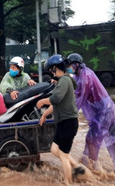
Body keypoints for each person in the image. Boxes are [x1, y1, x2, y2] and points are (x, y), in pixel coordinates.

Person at [67, 53, 115, 173]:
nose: (69, 68)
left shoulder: (85, 77)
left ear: (76, 64)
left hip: (104, 111)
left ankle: (93, 170)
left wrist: (68, 114)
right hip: (107, 109)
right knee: (114, 139)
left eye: (70, 65)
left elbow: (79, 98)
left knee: (91, 139)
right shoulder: (80, 75)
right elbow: (73, 89)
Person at [37, 54, 83, 184]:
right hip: (64, 123)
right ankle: (77, 167)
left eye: (51, 69)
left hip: (68, 122)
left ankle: (68, 182)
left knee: (62, 154)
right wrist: (45, 115)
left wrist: (41, 102)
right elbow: (55, 103)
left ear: (55, 68)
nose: (51, 73)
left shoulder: (64, 80)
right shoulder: (63, 81)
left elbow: (55, 99)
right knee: (54, 150)